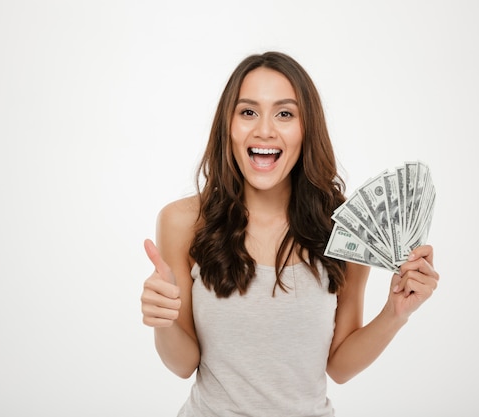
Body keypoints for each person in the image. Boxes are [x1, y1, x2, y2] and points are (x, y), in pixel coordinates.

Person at [140, 51, 439, 417]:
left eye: (285, 113)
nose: (264, 129)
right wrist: (164, 320)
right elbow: (183, 364)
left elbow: (340, 367)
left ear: (305, 128)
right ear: (228, 126)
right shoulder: (183, 221)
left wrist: (396, 312)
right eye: (248, 111)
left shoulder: (345, 228)